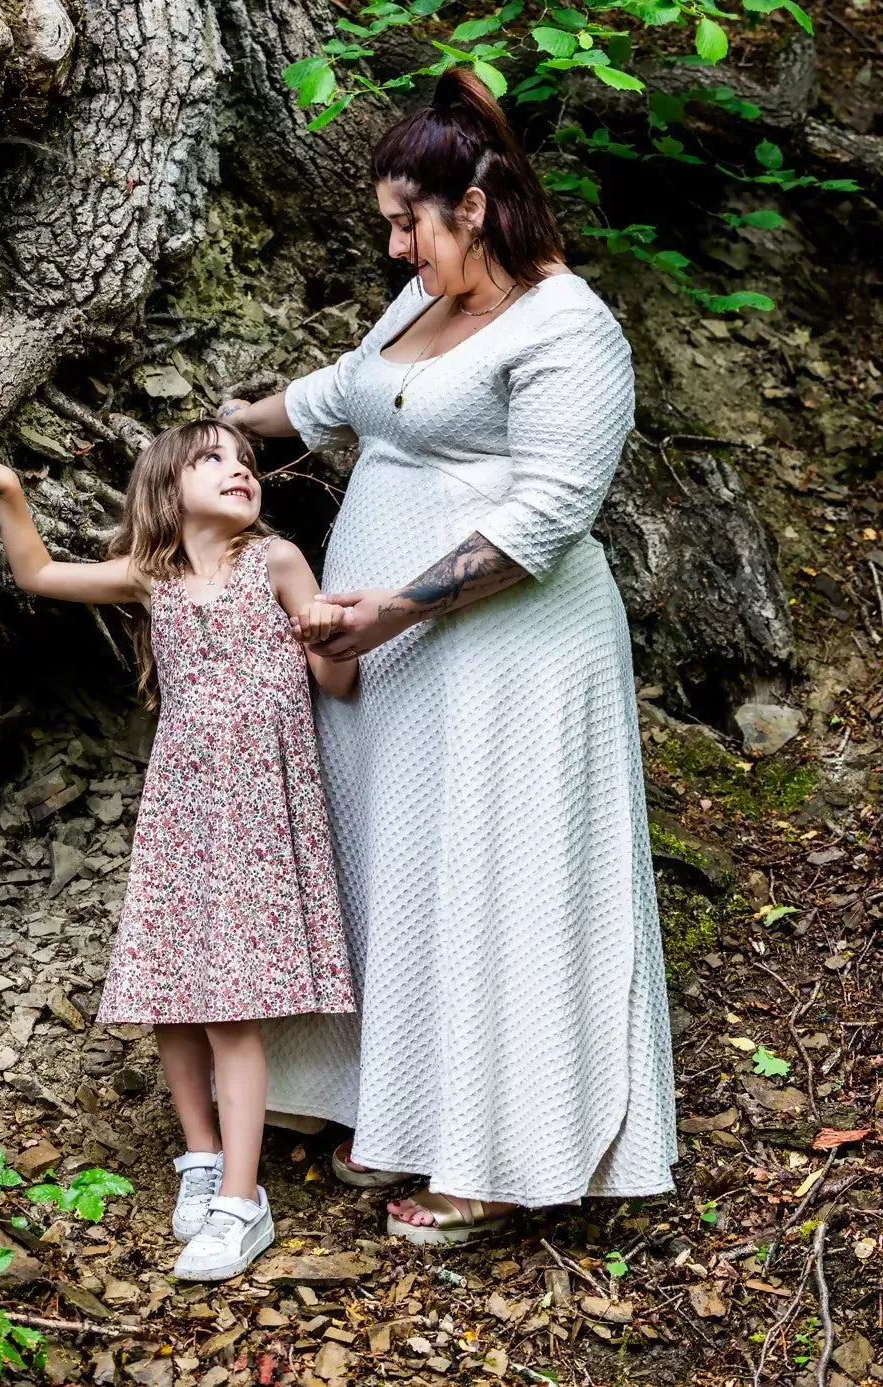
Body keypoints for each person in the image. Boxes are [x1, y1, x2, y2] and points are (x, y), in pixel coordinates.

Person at [219, 66, 678, 1245]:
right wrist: (215, 429)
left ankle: (496, 1152)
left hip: (508, 649)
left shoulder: (569, 325)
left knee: (490, 877)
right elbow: (334, 396)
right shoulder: (420, 302)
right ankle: (399, 1107)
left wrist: (390, 611)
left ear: (469, 209)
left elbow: (545, 516)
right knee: (398, 866)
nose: (391, 246)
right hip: (392, 650)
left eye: (403, 221)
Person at [0, 421, 357, 1279]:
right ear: (168, 487)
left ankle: (244, 1201)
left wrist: (323, 633)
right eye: (214, 460)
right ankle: (202, 1157)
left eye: (246, 461)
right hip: (183, 811)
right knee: (172, 991)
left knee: (230, 1006)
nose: (240, 471)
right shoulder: (151, 576)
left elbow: (337, 683)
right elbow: (38, 573)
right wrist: (11, 489)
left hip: (260, 812)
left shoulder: (275, 562)